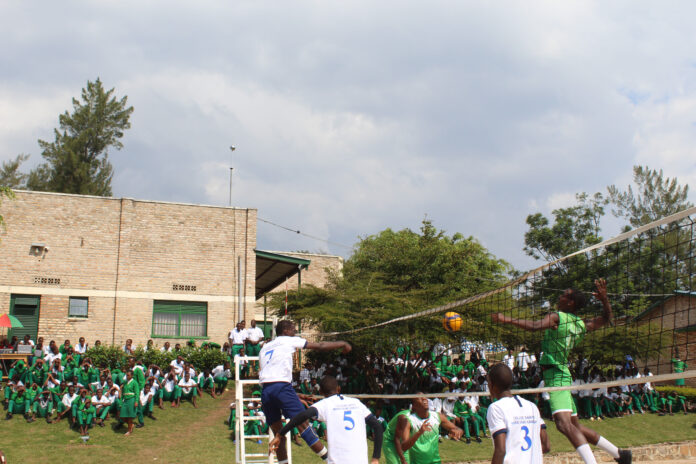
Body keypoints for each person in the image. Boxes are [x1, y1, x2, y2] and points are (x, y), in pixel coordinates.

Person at [493, 279, 631, 464]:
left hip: (556, 374)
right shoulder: (581, 324)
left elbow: (535, 326)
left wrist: (506, 319)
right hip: (562, 372)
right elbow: (606, 319)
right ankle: (619, 454)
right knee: (575, 427)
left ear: (570, 302)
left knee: (563, 425)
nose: (560, 296)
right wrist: (604, 300)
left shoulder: (557, 317)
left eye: (564, 294)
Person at [259, 319, 352, 464]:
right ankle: (330, 460)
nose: (295, 331)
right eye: (293, 329)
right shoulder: (288, 340)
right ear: (285, 331)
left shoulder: (265, 347)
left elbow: (272, 376)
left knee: (279, 434)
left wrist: (295, 395)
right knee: (303, 425)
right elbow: (320, 346)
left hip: (266, 391)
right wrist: (342, 343)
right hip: (281, 388)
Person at [270, 375, 383, 464]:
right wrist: (375, 458)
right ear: (338, 389)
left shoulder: (324, 405)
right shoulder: (357, 403)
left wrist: (280, 434)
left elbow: (301, 416)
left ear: (321, 392)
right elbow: (377, 427)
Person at [486, 363, 549, 464]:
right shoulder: (532, 406)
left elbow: (501, 450)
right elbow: (546, 446)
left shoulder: (496, 408)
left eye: (488, 382)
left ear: (493, 385)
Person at [394, 393, 463, 464]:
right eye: (420, 398)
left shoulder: (437, 416)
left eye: (425, 397)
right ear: (414, 406)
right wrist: (419, 433)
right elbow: (404, 447)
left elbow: (457, 429)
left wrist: (458, 432)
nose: (424, 399)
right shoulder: (409, 420)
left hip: (435, 462)